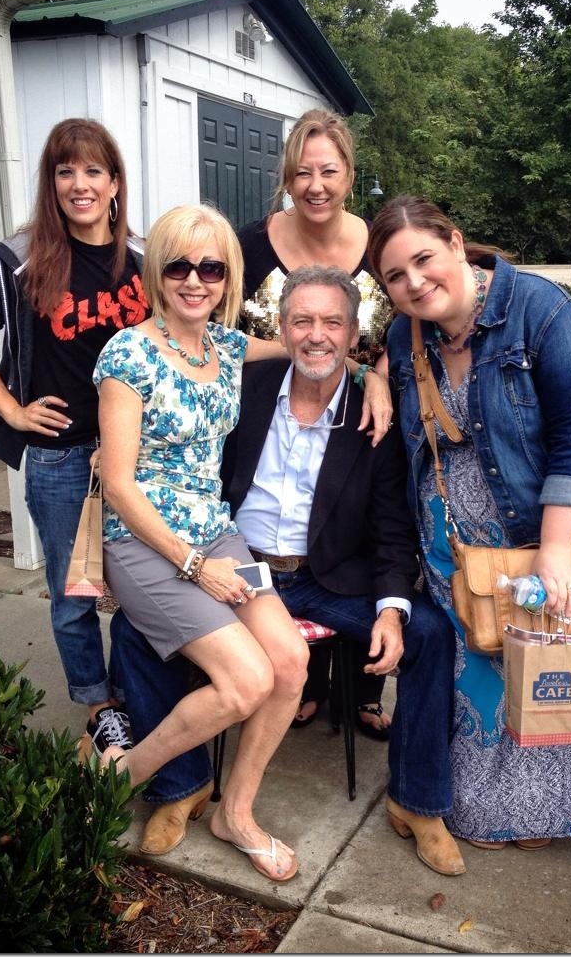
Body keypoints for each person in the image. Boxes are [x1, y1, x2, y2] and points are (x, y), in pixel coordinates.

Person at [108, 264, 464, 877]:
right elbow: (178, 446)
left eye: (333, 322)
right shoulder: (240, 383)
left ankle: (418, 801)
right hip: (237, 560)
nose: (317, 335)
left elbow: (391, 527)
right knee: (135, 633)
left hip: (323, 578)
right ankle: (179, 787)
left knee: (429, 633)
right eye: (302, 320)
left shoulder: (375, 414)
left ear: (356, 334)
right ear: (281, 327)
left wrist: (390, 608)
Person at [366, 194, 571, 849]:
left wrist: (554, 549)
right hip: (464, 552)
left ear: (455, 243)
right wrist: (374, 379)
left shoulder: (539, 308)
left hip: (562, 521)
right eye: (395, 276)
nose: (415, 282)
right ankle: (521, 814)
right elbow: (397, 394)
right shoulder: (402, 334)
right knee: (500, 682)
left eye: (423, 259)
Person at [0, 118, 148, 757]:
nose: (79, 184)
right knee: (74, 591)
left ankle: (146, 688)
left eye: (93, 171)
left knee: (147, 581)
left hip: (138, 455)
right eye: (66, 171)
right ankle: (100, 704)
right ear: (51, 182)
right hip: (63, 460)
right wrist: (11, 410)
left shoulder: (144, 261)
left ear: (115, 182)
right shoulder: (22, 259)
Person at [238, 107, 394, 739]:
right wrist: (306, 352)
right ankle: (300, 683)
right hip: (267, 413)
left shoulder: (375, 244)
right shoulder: (251, 245)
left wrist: (373, 376)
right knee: (295, 521)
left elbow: (400, 324)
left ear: (349, 174)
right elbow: (222, 338)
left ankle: (360, 690)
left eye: (328, 171)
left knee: (354, 528)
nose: (316, 185)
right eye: (302, 172)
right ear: (286, 177)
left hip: (365, 410)